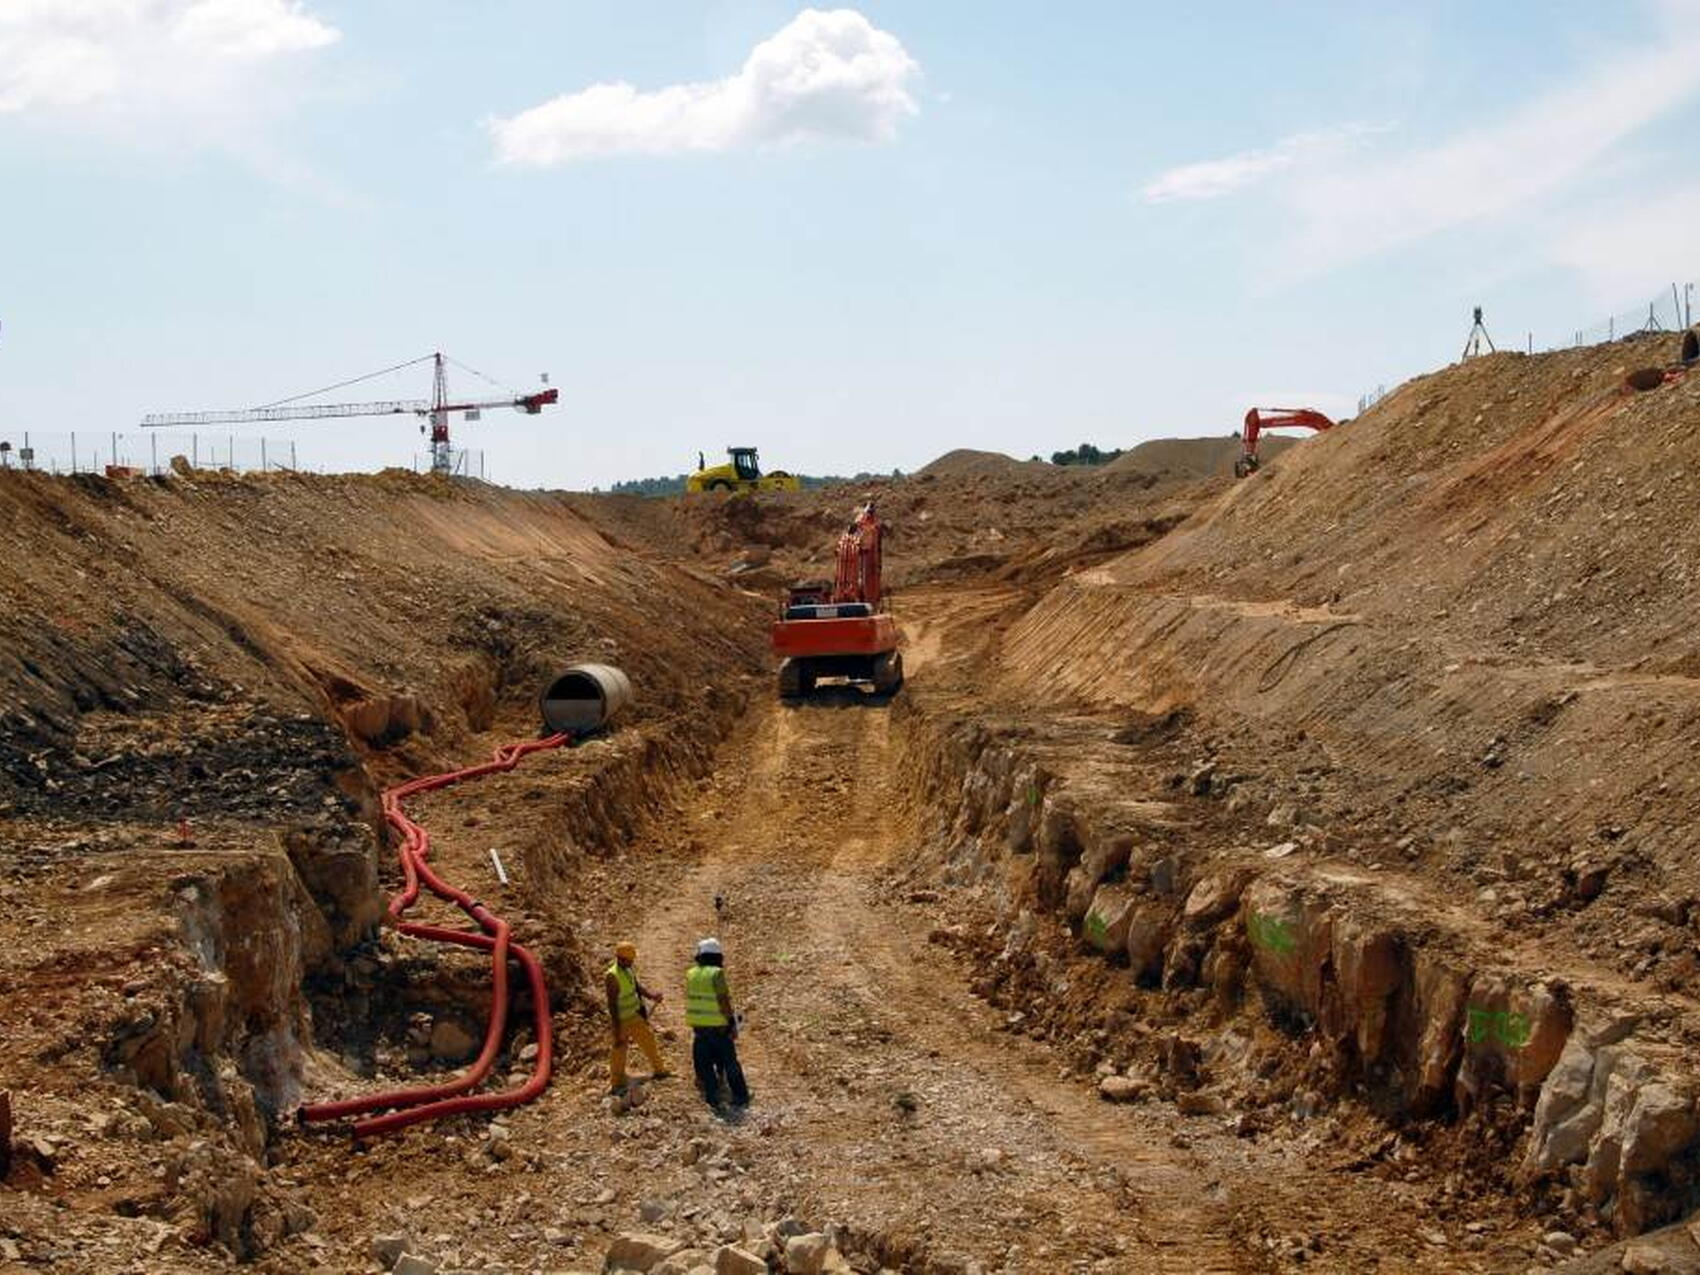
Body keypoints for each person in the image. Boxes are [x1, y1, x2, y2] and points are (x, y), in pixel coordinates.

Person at [685, 937, 750, 1110]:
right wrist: (731, 1022)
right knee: (730, 1063)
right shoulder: (717, 973)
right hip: (718, 1028)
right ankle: (740, 1096)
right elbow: (723, 1001)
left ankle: (712, 1098)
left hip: (699, 1029)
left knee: (705, 1065)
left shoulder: (691, 973)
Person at [606, 941, 669, 1093]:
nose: (632, 962)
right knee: (619, 1050)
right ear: (621, 959)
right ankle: (617, 1082)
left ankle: (659, 1070)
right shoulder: (612, 976)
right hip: (621, 1019)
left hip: (634, 1015)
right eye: (630, 960)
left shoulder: (628, 969)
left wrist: (652, 996)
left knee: (649, 1041)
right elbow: (612, 1005)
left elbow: (636, 986)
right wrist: (616, 1028)